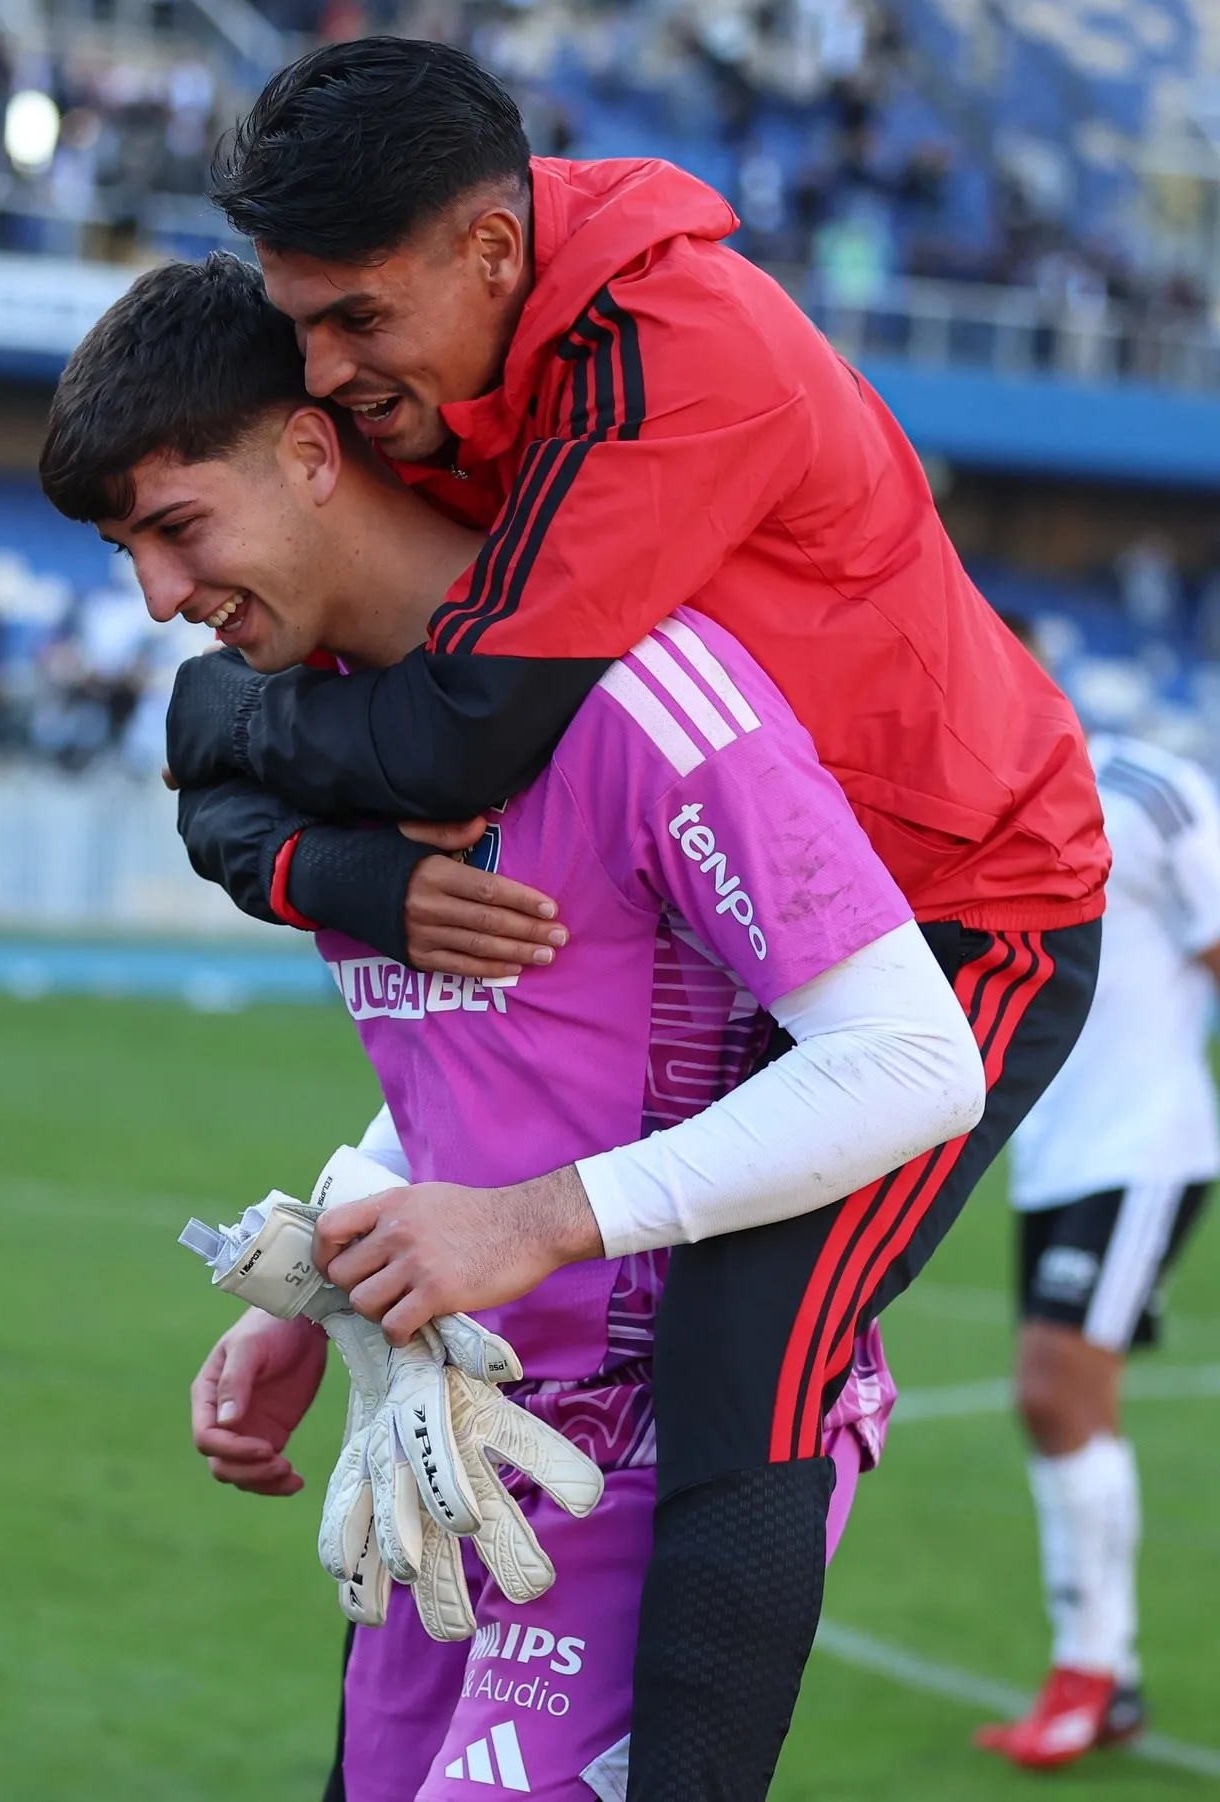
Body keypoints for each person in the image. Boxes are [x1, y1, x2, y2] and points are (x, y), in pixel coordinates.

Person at [157, 40, 1107, 1799]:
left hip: (977, 906)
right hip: (760, 912)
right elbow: (467, 951)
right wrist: (348, 1199)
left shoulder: (678, 355)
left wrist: (219, 736)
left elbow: (459, 728)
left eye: (358, 318)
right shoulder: (459, 378)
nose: (331, 372)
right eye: (302, 332)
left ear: (491, 254)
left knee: (749, 1357)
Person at [39, 255, 985, 1800]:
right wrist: (346, 1262)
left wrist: (537, 1223)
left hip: (661, 1440)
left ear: (310, 450)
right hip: (452, 1430)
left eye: (175, 526)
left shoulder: (643, 690)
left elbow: (914, 1061)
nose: (157, 597)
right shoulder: (334, 719)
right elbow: (490, 1062)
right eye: (123, 547)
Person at [976, 618, 1218, 1770]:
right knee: (1076, 1400)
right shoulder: (968, 794)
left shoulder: (1151, 788)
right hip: (1052, 1151)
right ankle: (1108, 1680)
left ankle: (1090, 1668)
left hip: (1144, 1141)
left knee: (1051, 1390)